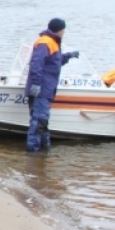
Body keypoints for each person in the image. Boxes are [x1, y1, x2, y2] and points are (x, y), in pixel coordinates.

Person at [24, 18, 78, 153]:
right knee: (39, 123)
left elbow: (53, 62)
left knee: (42, 123)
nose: (64, 32)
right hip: (41, 89)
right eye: (64, 30)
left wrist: (69, 56)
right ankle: (33, 154)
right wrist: (36, 84)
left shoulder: (52, 42)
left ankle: (42, 152)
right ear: (60, 30)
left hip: (46, 89)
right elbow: (36, 64)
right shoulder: (46, 42)